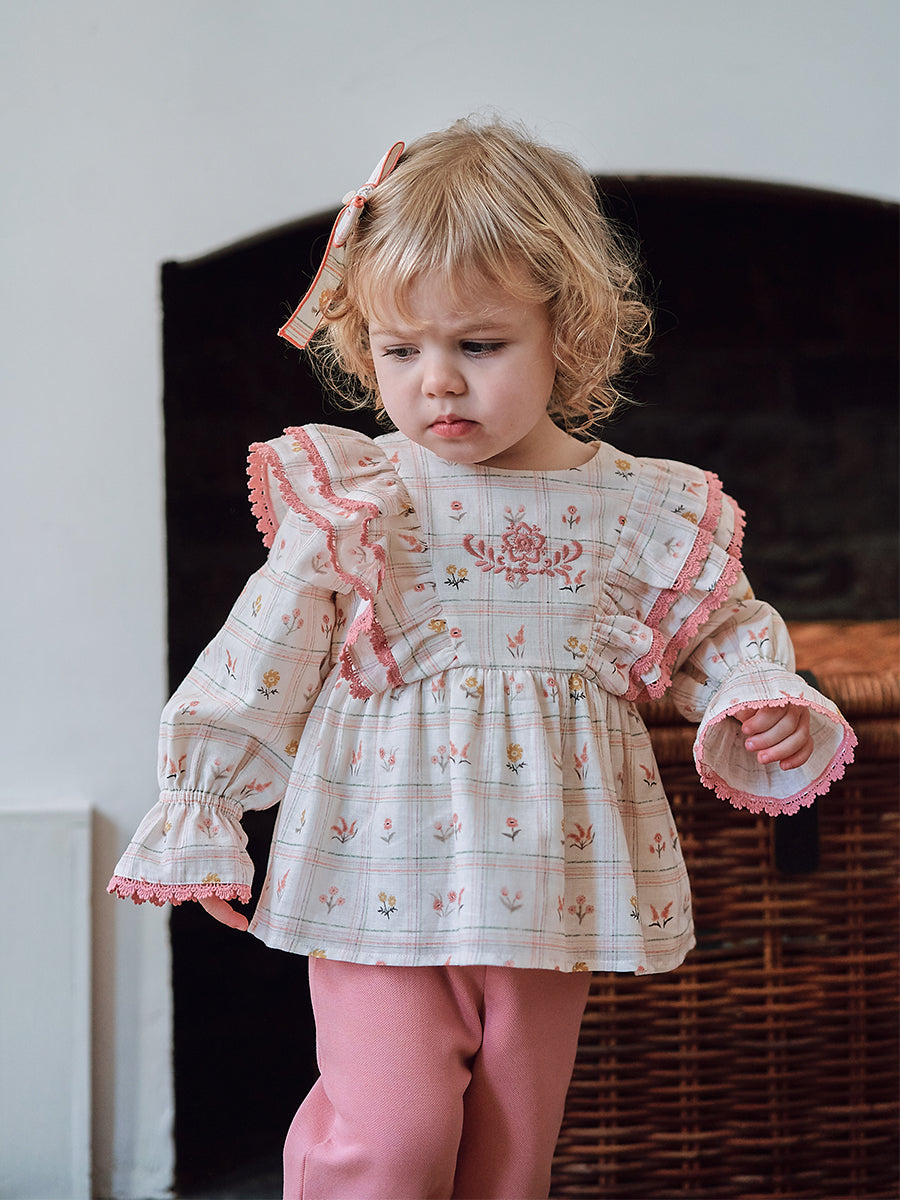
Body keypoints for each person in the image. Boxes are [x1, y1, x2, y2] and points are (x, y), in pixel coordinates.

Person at [109, 119, 856, 1200]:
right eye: (401, 352)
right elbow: (266, 648)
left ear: (568, 331)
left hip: (549, 881)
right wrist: (206, 798)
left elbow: (717, 628)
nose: (438, 385)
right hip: (375, 867)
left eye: (480, 345)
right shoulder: (362, 498)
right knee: (395, 1138)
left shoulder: (637, 508)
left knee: (509, 1158)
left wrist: (754, 692)